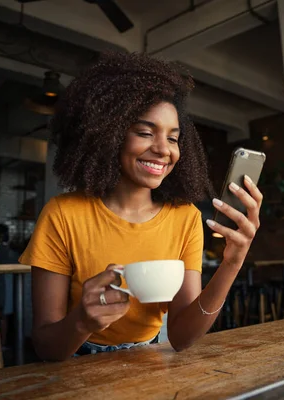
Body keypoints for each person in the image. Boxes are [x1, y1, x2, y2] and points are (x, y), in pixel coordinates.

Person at [19, 52, 263, 360]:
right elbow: (45, 346)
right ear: (110, 134)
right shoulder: (63, 214)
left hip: (150, 360)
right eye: (145, 133)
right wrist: (82, 321)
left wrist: (231, 264)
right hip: (76, 364)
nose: (163, 150)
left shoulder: (185, 218)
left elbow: (181, 337)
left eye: (173, 139)